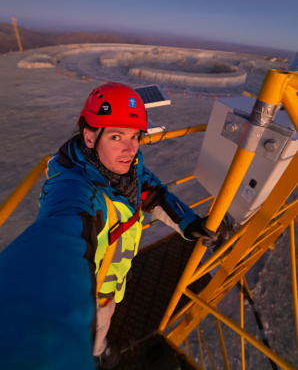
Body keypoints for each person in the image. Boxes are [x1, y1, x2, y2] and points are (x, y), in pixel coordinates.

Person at [0, 83, 225, 370]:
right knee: (98, 324)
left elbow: (151, 192)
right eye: (117, 136)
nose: (130, 149)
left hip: (113, 280)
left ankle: (99, 347)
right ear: (90, 137)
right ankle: (97, 353)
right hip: (93, 294)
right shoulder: (74, 188)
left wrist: (189, 223)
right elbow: (61, 233)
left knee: (105, 322)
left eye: (135, 136)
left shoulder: (127, 168)